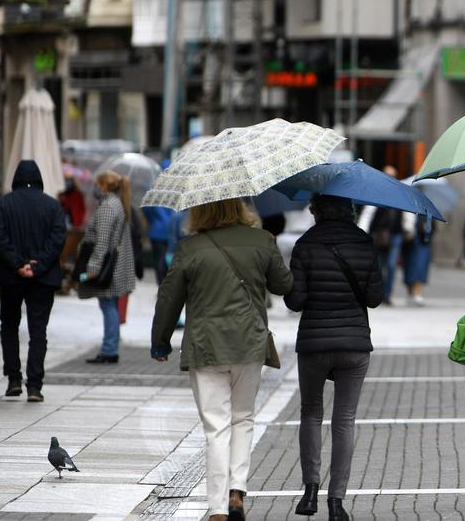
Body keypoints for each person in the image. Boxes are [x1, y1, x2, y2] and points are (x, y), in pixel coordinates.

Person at [151, 198, 293, 521]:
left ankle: (216, 508)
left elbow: (168, 297)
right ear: (241, 207)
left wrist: (160, 342)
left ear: (200, 210)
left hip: (207, 347)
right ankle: (237, 493)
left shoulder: (189, 248)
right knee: (243, 419)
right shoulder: (261, 240)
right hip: (249, 345)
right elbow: (284, 285)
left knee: (216, 428)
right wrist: (268, 249)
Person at [283, 195, 383, 520]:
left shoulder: (305, 244)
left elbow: (295, 301)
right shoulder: (364, 243)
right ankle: (336, 502)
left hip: (313, 343)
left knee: (311, 412)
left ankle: (309, 491)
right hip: (354, 344)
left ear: (316, 211)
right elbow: (375, 297)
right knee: (345, 420)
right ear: (350, 211)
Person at [0, 161, 67, 401]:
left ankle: (14, 378)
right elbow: (58, 238)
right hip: (43, 277)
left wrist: (18, 264)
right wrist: (37, 265)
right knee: (39, 331)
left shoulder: (3, 204)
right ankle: (35, 385)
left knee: (9, 326)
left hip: (10, 276)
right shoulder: (52, 206)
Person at [78, 171, 137, 364]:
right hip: (116, 266)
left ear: (103, 186)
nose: (94, 188)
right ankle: (110, 347)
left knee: (108, 304)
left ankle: (109, 349)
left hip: (108, 268)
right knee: (110, 304)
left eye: (97, 184)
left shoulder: (107, 207)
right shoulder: (118, 204)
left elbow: (102, 242)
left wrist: (92, 267)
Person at [358, 166, 410, 306]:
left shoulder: (401, 192)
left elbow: (407, 211)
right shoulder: (376, 192)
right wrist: (362, 232)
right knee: (379, 266)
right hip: (379, 235)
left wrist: (408, 228)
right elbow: (368, 213)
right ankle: (378, 294)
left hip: (395, 235)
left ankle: (387, 295)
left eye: (392, 175)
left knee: (392, 266)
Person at [402, 212, 433, 306]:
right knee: (409, 268)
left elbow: (433, 228)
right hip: (409, 242)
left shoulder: (427, 211)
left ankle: (417, 293)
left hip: (422, 242)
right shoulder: (407, 209)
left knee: (420, 267)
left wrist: (426, 227)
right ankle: (410, 292)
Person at [143, 205, 175, 284]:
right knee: (169, 258)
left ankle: (161, 283)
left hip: (156, 232)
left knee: (158, 260)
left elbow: (146, 211)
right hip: (169, 231)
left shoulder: (154, 199)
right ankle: (167, 282)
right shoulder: (172, 197)